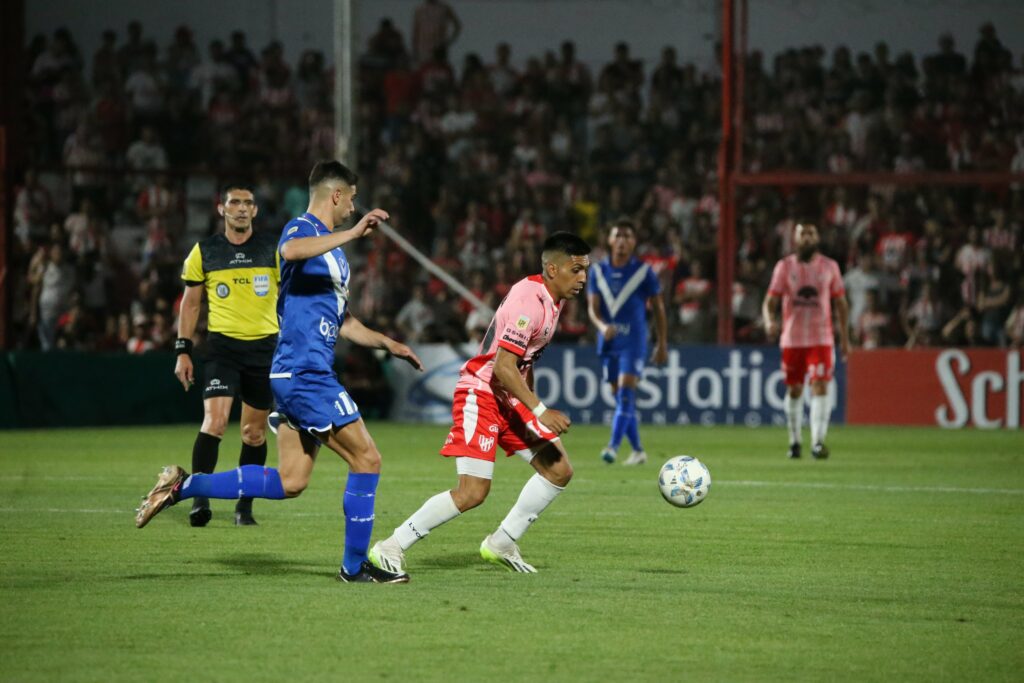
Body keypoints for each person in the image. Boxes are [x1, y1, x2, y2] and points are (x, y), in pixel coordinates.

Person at [136, 161, 423, 584]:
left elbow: (344, 321)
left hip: (298, 374)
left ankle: (183, 486)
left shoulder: (335, 258)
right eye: (353, 197)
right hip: (304, 373)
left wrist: (388, 343)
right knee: (368, 459)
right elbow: (288, 253)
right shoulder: (301, 229)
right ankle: (354, 566)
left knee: (291, 481)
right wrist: (352, 231)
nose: (354, 207)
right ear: (337, 195)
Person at [368, 232, 591, 575]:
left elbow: (520, 365)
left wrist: (526, 407)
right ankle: (391, 546)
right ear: (551, 268)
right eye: (575, 270)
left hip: (507, 398)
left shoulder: (553, 299)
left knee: (558, 469)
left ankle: (502, 541)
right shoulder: (528, 300)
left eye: (585, 270)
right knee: (473, 491)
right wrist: (540, 411)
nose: (583, 278)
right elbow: (503, 365)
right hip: (481, 392)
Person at [172, 182, 279, 527]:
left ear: (256, 211)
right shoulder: (204, 251)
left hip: (264, 350)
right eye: (234, 202)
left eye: (248, 203)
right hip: (223, 350)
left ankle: (244, 508)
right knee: (215, 423)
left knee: (254, 434)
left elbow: (292, 297)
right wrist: (182, 351)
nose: (242, 208)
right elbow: (191, 304)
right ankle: (199, 498)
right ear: (222, 209)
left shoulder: (273, 250)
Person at [762, 222, 850, 460]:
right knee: (795, 389)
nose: (807, 238)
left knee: (820, 385)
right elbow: (770, 301)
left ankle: (818, 442)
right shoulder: (784, 266)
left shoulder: (830, 266)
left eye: (811, 233)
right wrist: (770, 321)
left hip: (821, 337)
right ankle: (794, 442)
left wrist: (845, 338)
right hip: (792, 338)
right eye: (803, 234)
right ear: (795, 238)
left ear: (818, 237)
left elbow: (841, 302)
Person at [586, 219, 667, 465]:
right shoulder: (598, 271)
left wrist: (662, 343)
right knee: (618, 393)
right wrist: (601, 327)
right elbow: (593, 309)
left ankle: (612, 446)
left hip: (634, 339)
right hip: (609, 340)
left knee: (625, 393)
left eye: (627, 236)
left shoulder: (644, 272)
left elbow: (659, 309)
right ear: (610, 240)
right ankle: (638, 450)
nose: (622, 240)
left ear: (634, 242)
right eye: (617, 235)